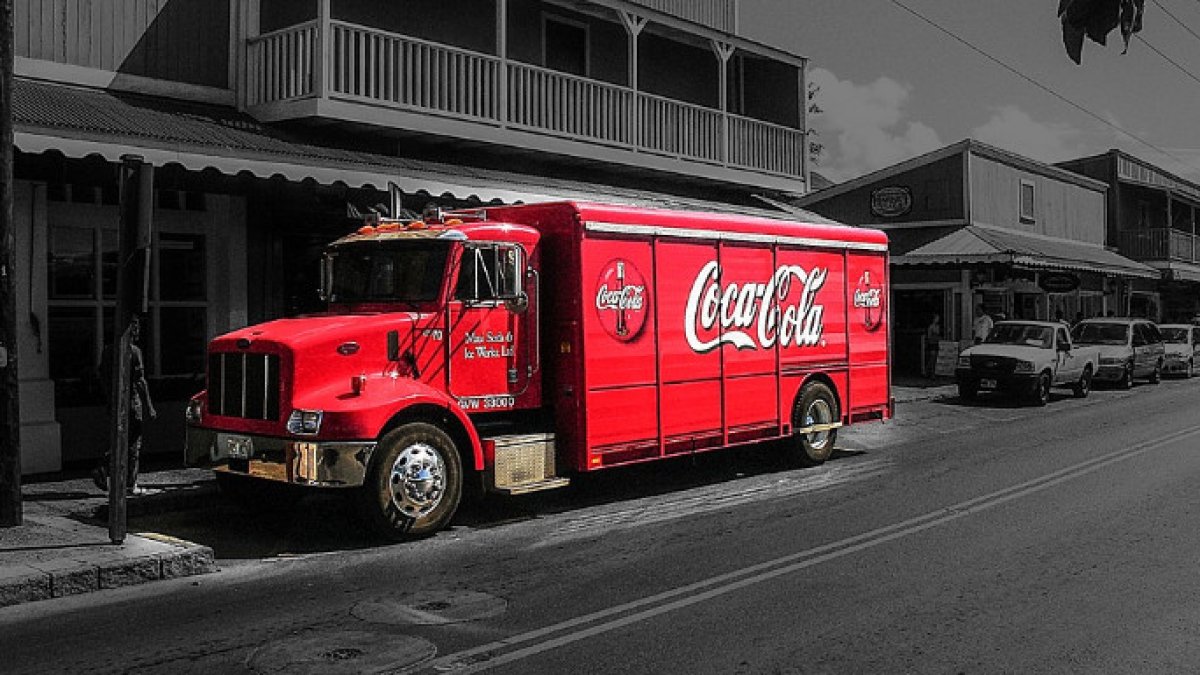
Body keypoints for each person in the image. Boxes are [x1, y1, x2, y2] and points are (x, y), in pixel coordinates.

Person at [92, 316, 157, 495]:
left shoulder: (108, 351)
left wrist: (110, 397)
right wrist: (149, 406)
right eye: (136, 327)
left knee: (118, 438)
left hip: (114, 403)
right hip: (131, 403)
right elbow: (141, 381)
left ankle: (107, 469)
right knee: (133, 443)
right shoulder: (134, 352)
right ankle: (129, 482)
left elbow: (101, 375)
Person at [925, 313, 942, 378]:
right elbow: (929, 336)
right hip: (932, 343)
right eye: (936, 318)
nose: (938, 320)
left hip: (936, 343)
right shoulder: (931, 326)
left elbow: (938, 334)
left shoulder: (937, 326)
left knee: (934, 358)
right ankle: (931, 373)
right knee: (932, 358)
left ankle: (928, 371)